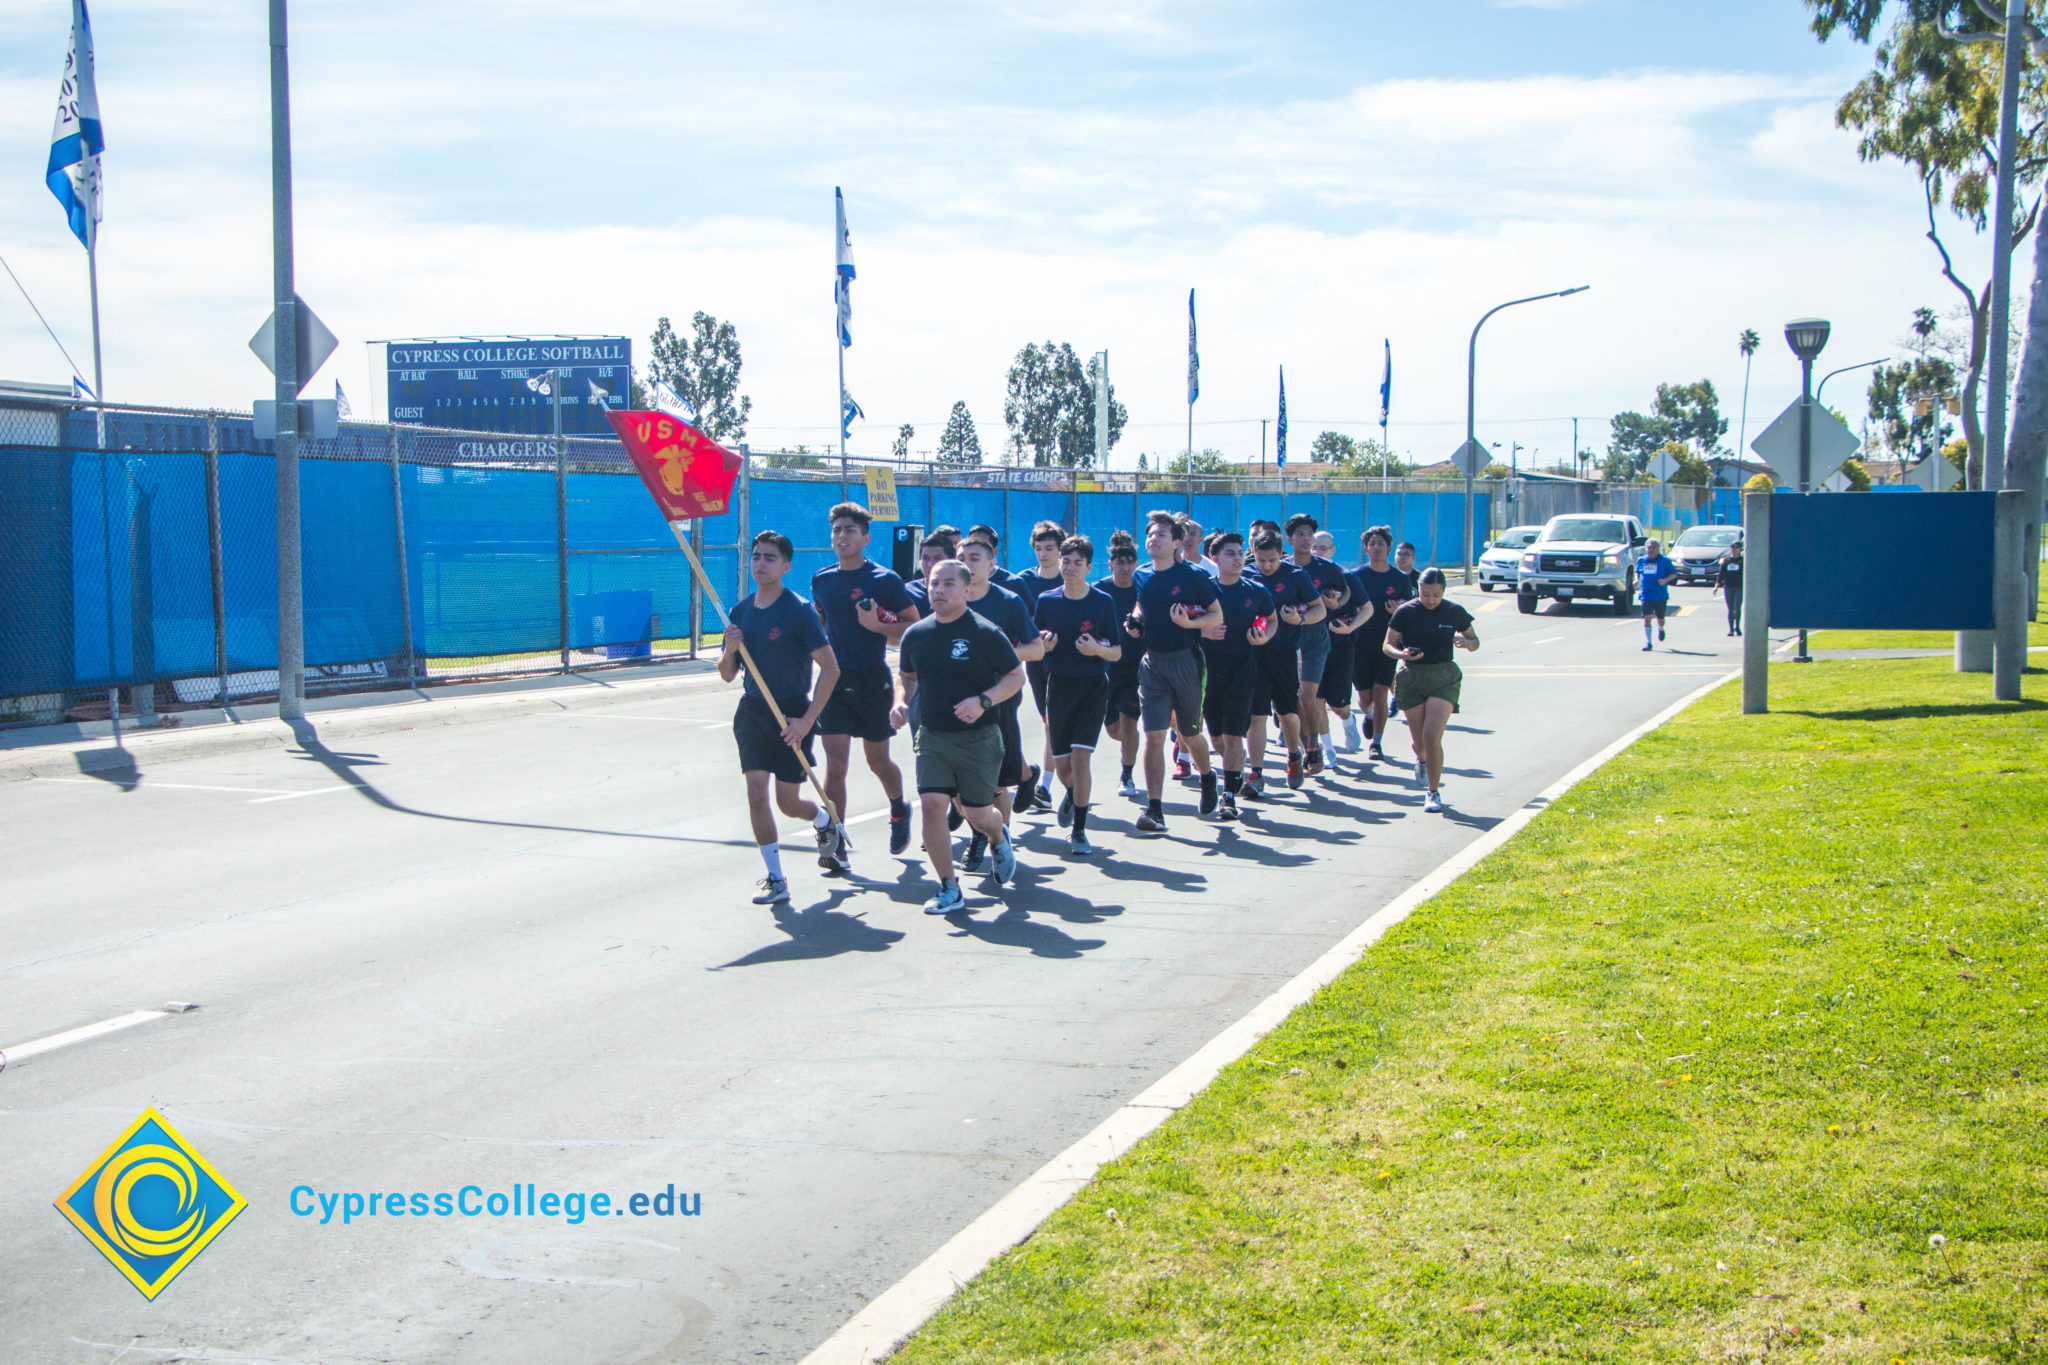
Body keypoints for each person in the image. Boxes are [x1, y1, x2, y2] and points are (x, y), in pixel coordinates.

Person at [892, 559, 1027, 915]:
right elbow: (906, 676)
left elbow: (1015, 677)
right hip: (932, 735)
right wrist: (900, 702)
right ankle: (949, 887)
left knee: (977, 813)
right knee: (933, 805)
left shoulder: (985, 632)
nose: (939, 590)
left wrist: (983, 701)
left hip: (979, 739)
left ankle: (998, 836)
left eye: (949, 584)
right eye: (934, 583)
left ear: (967, 590)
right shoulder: (916, 634)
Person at [720, 531, 845, 904]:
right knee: (756, 794)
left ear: (786, 566)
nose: (760, 563)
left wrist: (806, 721)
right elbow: (728, 674)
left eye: (769, 558)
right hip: (753, 711)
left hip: (791, 712)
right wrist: (730, 649)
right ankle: (775, 877)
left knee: (788, 804)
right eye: (756, 556)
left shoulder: (799, 611)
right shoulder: (740, 612)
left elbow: (831, 670)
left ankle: (823, 820)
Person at [811, 503, 921, 859]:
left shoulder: (884, 580)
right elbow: (823, 625)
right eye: (837, 530)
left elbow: (914, 628)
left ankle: (898, 808)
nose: (842, 536)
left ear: (865, 538)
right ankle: (836, 837)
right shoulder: (822, 579)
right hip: (834, 681)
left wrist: (878, 627)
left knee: (878, 762)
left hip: (873, 680)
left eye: (850, 531)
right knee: (836, 765)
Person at [1127, 509, 1224, 833]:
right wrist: (1136, 619)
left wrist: (1190, 623)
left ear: (1178, 543)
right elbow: (1141, 602)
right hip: (1152, 663)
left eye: (1161, 535)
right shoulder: (1141, 574)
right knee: (1153, 736)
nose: (1153, 540)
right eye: (1150, 534)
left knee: (1190, 734)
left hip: (1186, 661)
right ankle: (1155, 810)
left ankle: (1208, 777)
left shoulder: (1193, 576)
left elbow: (1215, 615)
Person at [959, 533, 1045, 868]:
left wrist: (998, 656)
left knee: (993, 779)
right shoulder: (946, 599)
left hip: (997, 697)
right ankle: (980, 829)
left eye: (975, 558)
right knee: (957, 778)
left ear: (992, 564)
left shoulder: (1007, 602)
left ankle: (996, 839)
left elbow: (1036, 649)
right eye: (962, 558)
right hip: (953, 699)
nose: (968, 564)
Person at [1034, 536, 1121, 854]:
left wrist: (1097, 648)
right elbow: (1034, 646)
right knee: (1063, 766)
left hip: (1092, 686)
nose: (1070, 567)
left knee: (1081, 758)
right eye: (1065, 561)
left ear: (1088, 567)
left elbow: (1117, 652)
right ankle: (1072, 793)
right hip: (1058, 686)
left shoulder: (1102, 602)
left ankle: (1080, 830)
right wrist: (1045, 644)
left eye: (1077, 562)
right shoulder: (1047, 600)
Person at [1383, 567, 1479, 815]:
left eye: (1436, 595)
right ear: (1419, 591)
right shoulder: (1406, 612)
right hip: (1412, 677)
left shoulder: (1454, 611)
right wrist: (1401, 653)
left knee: (1432, 735)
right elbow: (1388, 645)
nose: (1430, 600)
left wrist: (1466, 643)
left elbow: (1474, 641)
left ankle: (1433, 792)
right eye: (1426, 594)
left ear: (1443, 592)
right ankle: (1422, 761)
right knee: (1419, 744)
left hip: (1443, 677)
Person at [1198, 533, 1277, 821]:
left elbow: (1271, 618)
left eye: (1241, 552)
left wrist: (1263, 636)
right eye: (1230, 553)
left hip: (1242, 669)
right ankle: (1234, 773)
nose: (1238, 558)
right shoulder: (1202, 589)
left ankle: (1229, 796)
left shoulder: (1255, 591)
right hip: (1208, 671)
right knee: (1217, 737)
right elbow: (1183, 622)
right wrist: (1202, 631)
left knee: (1233, 736)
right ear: (1215, 558)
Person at [1245, 530, 1319, 795]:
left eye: (1272, 561)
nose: (1265, 566)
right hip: (1254, 656)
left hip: (1285, 653)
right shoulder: (1245, 575)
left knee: (1287, 712)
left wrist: (1298, 619)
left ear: (1281, 556)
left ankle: (1293, 755)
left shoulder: (1296, 576)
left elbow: (1318, 608)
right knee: (1257, 715)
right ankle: (1256, 772)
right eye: (1261, 560)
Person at [1286, 513, 1351, 777]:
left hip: (1315, 639)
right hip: (1289, 641)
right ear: (1289, 539)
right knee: (1295, 700)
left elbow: (1345, 591)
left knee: (1307, 696)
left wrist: (1337, 602)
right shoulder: (1283, 568)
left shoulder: (1326, 568)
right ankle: (1305, 747)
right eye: (1300, 534)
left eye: (1309, 534)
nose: (1305, 539)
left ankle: (1313, 745)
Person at [1010, 520, 1067, 813]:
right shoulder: (1023, 581)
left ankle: (1044, 786)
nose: (1043, 554)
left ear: (1060, 550)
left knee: (1053, 723)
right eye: (1039, 548)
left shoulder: (1069, 579)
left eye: (1049, 548)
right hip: (1034, 660)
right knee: (1048, 720)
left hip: (1065, 661)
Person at [1350, 526, 1414, 764]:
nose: (1376, 547)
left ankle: (1376, 743)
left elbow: (1409, 608)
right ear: (1366, 548)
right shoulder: (1356, 575)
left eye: (1381, 543)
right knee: (1365, 698)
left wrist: (1400, 610)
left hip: (1387, 641)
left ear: (1389, 548)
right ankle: (1370, 715)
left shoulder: (1400, 578)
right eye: (1372, 543)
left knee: (1380, 692)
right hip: (1360, 641)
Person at [1096, 535, 1144, 797]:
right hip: (1105, 668)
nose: (1125, 567)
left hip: (1135, 669)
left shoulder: (1143, 589)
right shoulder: (1100, 591)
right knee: (1114, 730)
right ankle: (1129, 748)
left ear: (1137, 563)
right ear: (1110, 564)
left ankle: (1127, 775)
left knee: (1129, 723)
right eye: (1120, 562)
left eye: (1130, 562)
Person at [1313, 529, 1363, 765]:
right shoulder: (1304, 574)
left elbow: (1367, 609)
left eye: (1323, 547)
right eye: (1315, 547)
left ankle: (1348, 720)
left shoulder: (1345, 576)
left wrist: (1350, 628)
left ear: (1333, 550)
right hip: (1313, 647)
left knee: (1338, 703)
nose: (1318, 551)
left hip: (1341, 646)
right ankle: (1328, 749)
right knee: (1317, 700)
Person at [901, 525, 960, 619]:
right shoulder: (907, 592)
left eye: (937, 558)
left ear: (951, 559)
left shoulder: (961, 592)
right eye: (926, 558)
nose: (930, 564)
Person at [1637, 537, 1680, 650]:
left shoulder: (1664, 561)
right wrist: (1637, 580)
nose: (1651, 550)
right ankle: (1649, 643)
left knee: (1660, 618)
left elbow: (1673, 574)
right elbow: (1638, 572)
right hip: (1646, 594)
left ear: (1658, 549)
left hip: (1660, 595)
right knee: (1647, 618)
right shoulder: (1641, 560)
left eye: (1653, 548)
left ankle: (1660, 628)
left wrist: (1665, 580)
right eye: (1649, 547)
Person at [1715, 538, 1745, 636]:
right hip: (1728, 586)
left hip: (1739, 586)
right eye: (1732, 548)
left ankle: (1738, 627)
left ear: (1740, 549)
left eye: (1736, 548)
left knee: (1737, 607)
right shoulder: (1726, 560)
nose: (1734, 550)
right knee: (1730, 608)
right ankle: (1731, 629)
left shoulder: (1742, 560)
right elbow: (1721, 573)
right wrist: (1717, 585)